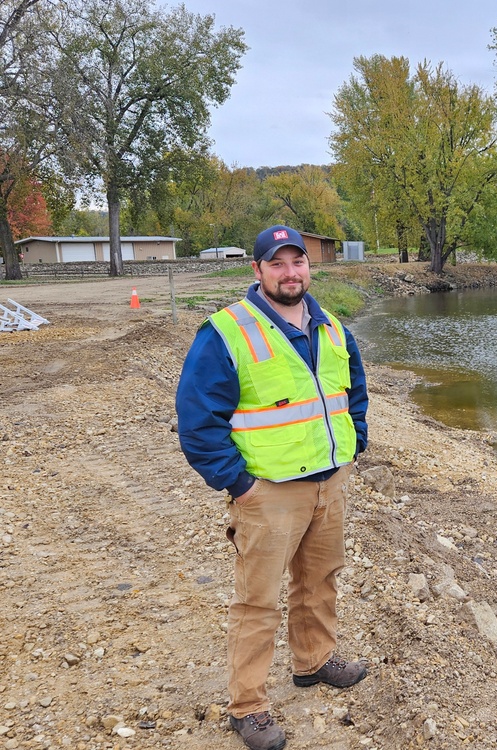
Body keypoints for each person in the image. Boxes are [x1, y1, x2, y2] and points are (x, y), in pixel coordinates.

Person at [176, 225, 369, 750]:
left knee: (320, 579)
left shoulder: (330, 328)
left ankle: (314, 662)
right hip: (268, 493)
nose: (290, 272)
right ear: (257, 270)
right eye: (277, 263)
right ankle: (249, 707)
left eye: (298, 261)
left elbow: (353, 391)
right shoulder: (225, 332)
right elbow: (197, 421)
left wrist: (355, 444)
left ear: (310, 266)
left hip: (330, 481)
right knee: (257, 601)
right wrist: (238, 485)